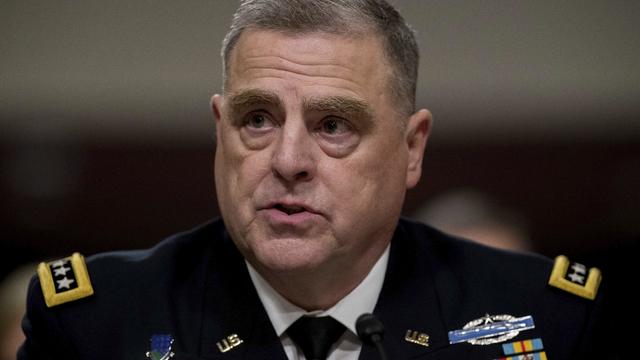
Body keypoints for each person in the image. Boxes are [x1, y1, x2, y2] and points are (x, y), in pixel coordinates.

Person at [19, 1, 607, 359]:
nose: (287, 159)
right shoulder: (97, 324)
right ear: (220, 131)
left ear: (410, 148)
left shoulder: (544, 316)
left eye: (332, 124)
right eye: (257, 120)